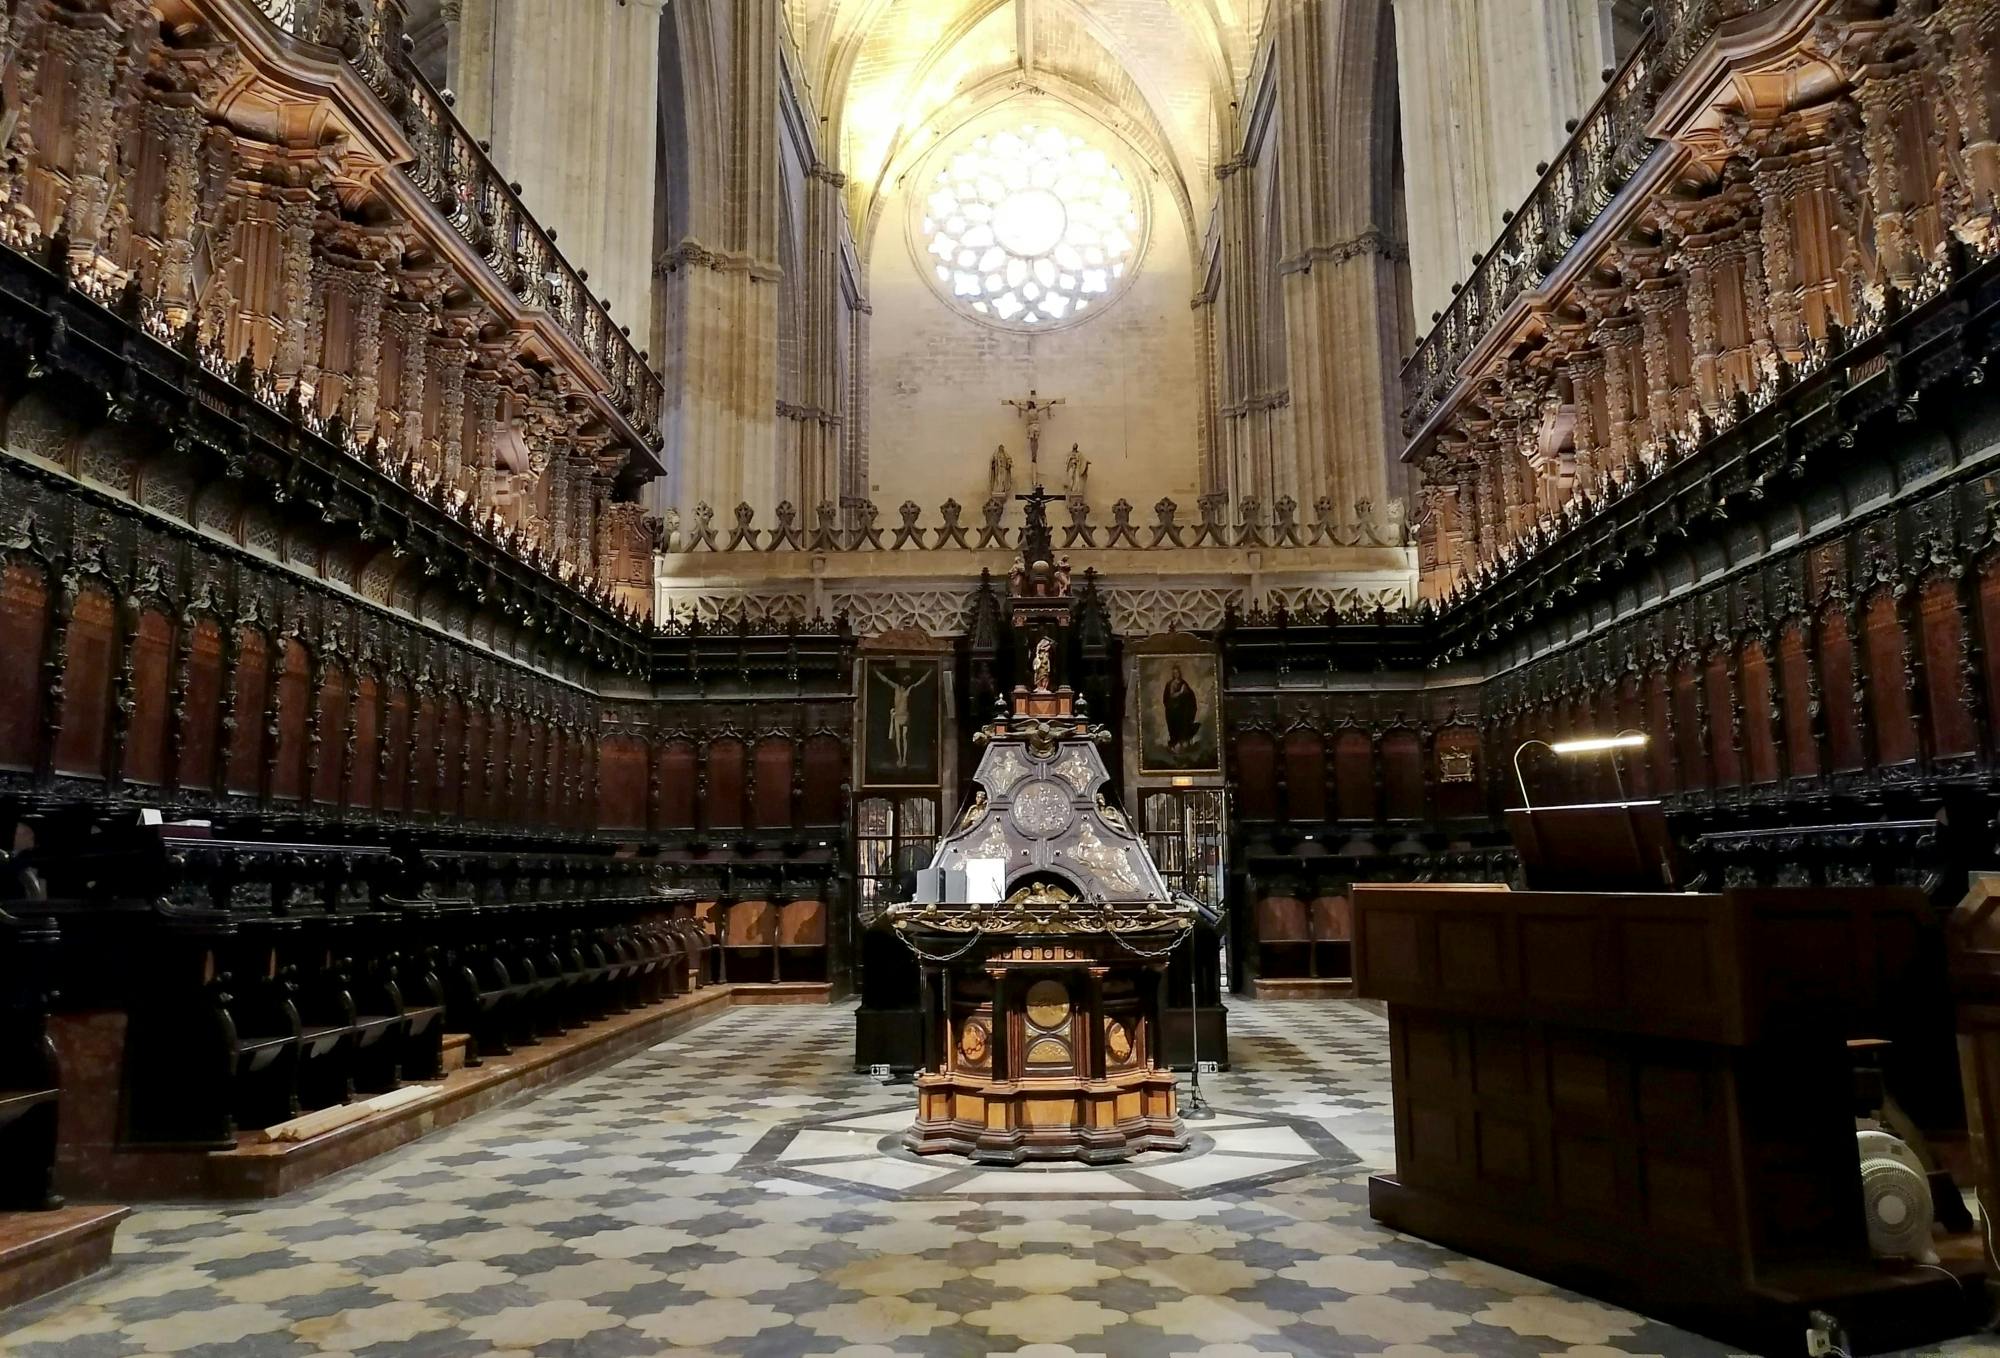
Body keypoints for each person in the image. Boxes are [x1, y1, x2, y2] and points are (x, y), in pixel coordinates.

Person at [873, 665, 931, 768]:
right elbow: (885, 680)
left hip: (904, 716)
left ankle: (904, 759)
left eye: (907, 680)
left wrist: (929, 671)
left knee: (904, 738)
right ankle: (900, 757)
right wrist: (876, 671)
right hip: (897, 716)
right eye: (904, 680)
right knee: (898, 738)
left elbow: (920, 681)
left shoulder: (907, 690)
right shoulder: (896, 687)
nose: (905, 682)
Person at [1162, 663, 1200, 752]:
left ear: (1180, 673)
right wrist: (1180, 693)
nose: (1176, 674)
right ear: (1173, 674)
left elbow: (1190, 696)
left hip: (1181, 711)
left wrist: (1184, 695)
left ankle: (1182, 745)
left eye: (1177, 672)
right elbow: (1168, 697)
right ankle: (1175, 745)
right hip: (1172, 711)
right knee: (1173, 728)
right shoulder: (1169, 684)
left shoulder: (1183, 683)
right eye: (1174, 673)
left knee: (1182, 728)